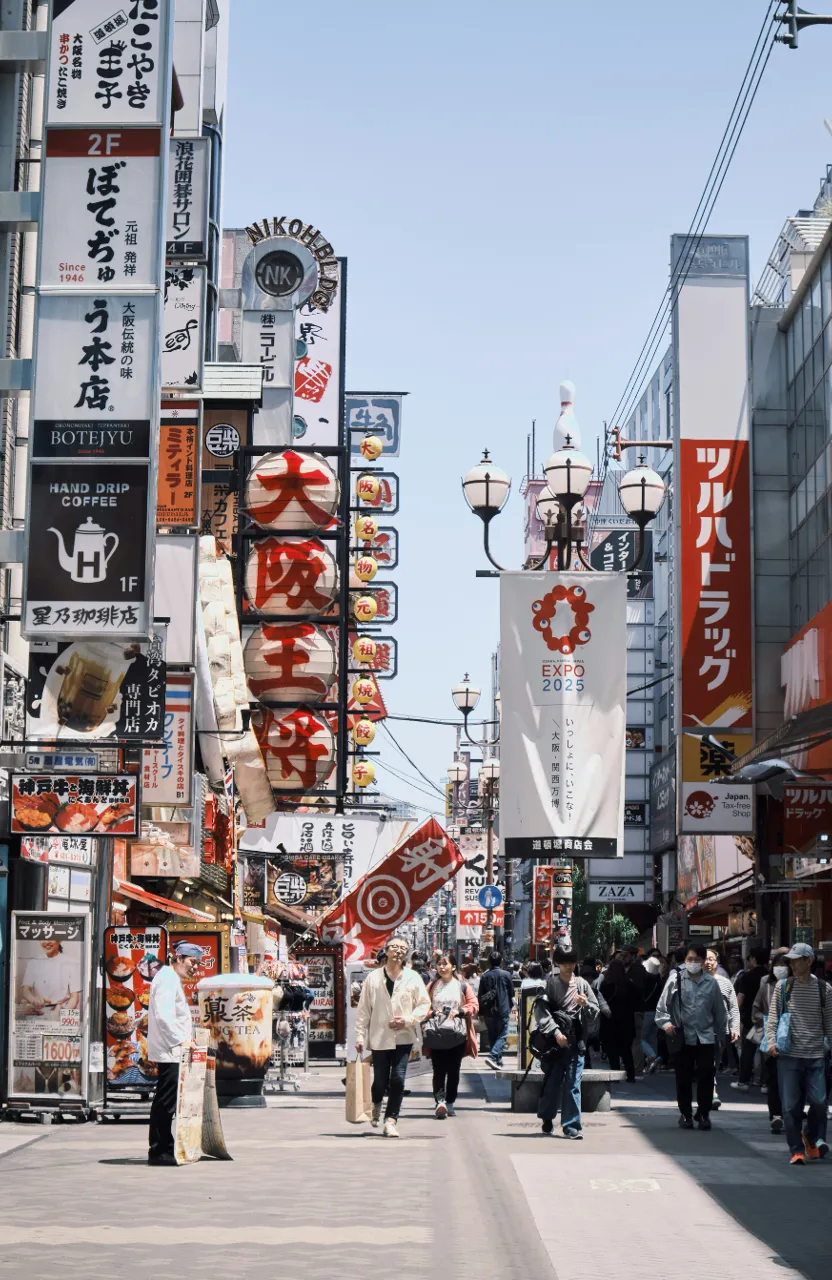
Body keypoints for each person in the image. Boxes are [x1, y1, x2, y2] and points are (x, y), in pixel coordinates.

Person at [354, 937, 430, 1138]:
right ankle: (376, 1102)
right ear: (386, 951)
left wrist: (407, 1019)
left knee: (398, 1079)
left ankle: (391, 1120)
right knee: (380, 1080)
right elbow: (364, 1010)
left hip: (403, 1036)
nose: (398, 951)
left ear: (406, 955)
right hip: (379, 1037)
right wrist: (360, 1035)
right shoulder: (373, 979)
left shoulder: (413, 978)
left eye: (402, 949)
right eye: (394, 947)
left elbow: (424, 1004)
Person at [766, 942, 832, 1165]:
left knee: (820, 1103)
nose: (792, 965)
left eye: (797, 960)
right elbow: (773, 1017)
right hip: (789, 1055)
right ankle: (796, 1149)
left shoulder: (824, 989)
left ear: (809, 961)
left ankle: (810, 1136)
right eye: (791, 961)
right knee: (790, 1106)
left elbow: (830, 1024)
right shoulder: (784, 987)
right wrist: (771, 1042)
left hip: (815, 1055)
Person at [655, 942, 728, 1130]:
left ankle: (703, 1114)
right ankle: (685, 1114)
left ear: (703, 961)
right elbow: (662, 1008)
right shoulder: (676, 980)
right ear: (684, 961)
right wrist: (667, 1024)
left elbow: (719, 1012)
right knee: (683, 1078)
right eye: (690, 959)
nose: (693, 962)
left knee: (706, 1075)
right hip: (682, 1037)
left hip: (706, 1037)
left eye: (697, 959)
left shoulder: (712, 983)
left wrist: (722, 1036)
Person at [146, 940, 203, 1166]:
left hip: (173, 1049)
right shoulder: (168, 979)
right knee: (166, 1101)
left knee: (168, 1101)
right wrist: (181, 1041)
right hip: (171, 1050)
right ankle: (159, 1151)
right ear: (178, 958)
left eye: (198, 963)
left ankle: (165, 1148)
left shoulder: (170, 978)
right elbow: (163, 1016)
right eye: (192, 962)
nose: (195, 967)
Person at [536, 947, 599, 1138]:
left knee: (573, 1083)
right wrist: (555, 1033)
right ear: (557, 964)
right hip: (555, 1044)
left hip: (576, 1041)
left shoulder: (582, 985)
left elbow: (595, 1010)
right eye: (564, 963)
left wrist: (585, 1004)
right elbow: (542, 1012)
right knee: (552, 1083)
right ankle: (547, 1117)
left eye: (571, 963)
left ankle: (571, 1125)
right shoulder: (550, 985)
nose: (568, 967)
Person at [424, 952, 479, 1117]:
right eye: (439, 964)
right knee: (438, 1069)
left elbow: (474, 1004)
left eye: (445, 964)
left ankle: (450, 1102)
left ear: (453, 967)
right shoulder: (432, 986)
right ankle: (439, 1102)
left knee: (454, 1070)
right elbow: (422, 1005)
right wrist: (432, 1013)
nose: (441, 967)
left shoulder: (462, 985)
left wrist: (460, 1011)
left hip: (457, 1034)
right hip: (436, 1033)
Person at [749, 950, 789, 1134]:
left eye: (784, 965)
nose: (781, 969)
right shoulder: (766, 985)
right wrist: (766, 1020)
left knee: (791, 1080)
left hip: (793, 1040)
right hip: (772, 1039)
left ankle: (789, 1113)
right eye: (778, 965)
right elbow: (755, 1009)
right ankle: (776, 1115)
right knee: (773, 1079)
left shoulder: (796, 985)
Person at [704, 947, 740, 1110]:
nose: (708, 962)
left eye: (711, 959)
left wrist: (735, 1027)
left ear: (717, 963)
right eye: (705, 959)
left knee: (713, 1063)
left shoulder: (725, 983)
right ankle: (712, 1093)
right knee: (707, 1062)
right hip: (698, 1030)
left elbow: (733, 1007)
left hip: (720, 1031)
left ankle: (709, 1090)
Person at [731, 948, 768, 1090]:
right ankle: (764, 1082)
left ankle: (744, 1081)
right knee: (766, 1052)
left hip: (750, 1019)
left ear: (753, 959)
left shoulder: (746, 977)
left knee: (748, 1051)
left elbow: (740, 998)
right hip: (769, 1018)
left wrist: (733, 1014)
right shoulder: (770, 977)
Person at [20, 939, 81, 1018]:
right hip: (37, 1014)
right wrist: (34, 1001)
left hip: (60, 1012)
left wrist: (62, 1014)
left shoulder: (71, 963)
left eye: (50, 939)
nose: (46, 942)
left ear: (59, 940)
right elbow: (26, 989)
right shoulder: (33, 962)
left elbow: (74, 998)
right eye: (42, 939)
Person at [599, 959, 638, 1082]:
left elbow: (601, 1002)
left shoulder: (606, 985)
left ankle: (615, 1075)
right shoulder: (629, 984)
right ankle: (630, 1075)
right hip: (626, 1021)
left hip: (610, 1021)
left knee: (612, 1051)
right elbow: (636, 1003)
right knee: (626, 1049)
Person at [478, 949, 515, 1070]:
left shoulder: (484, 976)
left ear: (489, 962)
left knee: (493, 1036)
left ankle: (497, 1061)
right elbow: (511, 993)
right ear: (502, 962)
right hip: (502, 1009)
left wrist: (481, 1012)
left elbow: (480, 995)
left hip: (489, 1011)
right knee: (503, 1035)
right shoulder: (506, 975)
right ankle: (493, 1056)